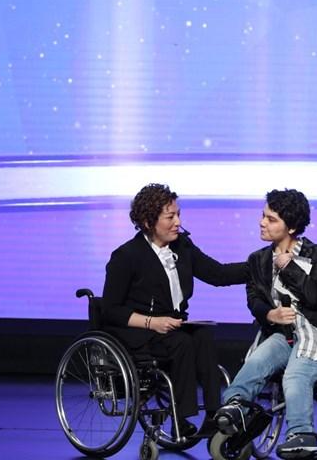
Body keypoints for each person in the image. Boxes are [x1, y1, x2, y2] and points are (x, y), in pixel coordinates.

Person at [215, 189, 317, 459]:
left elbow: (316, 295)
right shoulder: (259, 259)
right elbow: (255, 299)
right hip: (285, 335)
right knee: (257, 360)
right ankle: (236, 407)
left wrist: (289, 267)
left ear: (291, 227)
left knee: (295, 375)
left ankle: (302, 434)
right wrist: (270, 315)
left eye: (271, 219)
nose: (262, 223)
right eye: (263, 216)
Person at [101, 183, 249, 439]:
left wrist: (260, 266)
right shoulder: (126, 256)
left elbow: (218, 274)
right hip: (138, 331)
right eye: (170, 217)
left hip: (172, 326)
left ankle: (213, 415)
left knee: (202, 335)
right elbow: (110, 310)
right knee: (182, 343)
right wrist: (152, 322)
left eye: (178, 215)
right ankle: (181, 419)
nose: (178, 222)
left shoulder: (182, 247)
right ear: (148, 222)